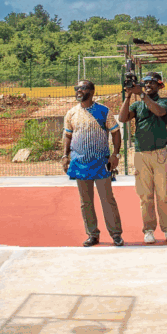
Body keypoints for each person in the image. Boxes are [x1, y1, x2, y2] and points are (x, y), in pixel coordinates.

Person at [62, 80, 124, 247]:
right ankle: (92, 234)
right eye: (77, 88)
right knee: (85, 201)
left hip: (101, 162)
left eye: (82, 88)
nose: (79, 91)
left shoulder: (103, 111)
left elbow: (116, 133)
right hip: (79, 163)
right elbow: (68, 136)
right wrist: (64, 156)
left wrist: (115, 154)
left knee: (107, 199)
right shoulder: (71, 113)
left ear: (92, 91)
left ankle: (116, 234)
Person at [118, 71, 167, 244]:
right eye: (145, 83)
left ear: (160, 85)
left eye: (152, 83)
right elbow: (122, 118)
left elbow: (159, 112)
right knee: (145, 196)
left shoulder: (164, 102)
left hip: (159, 153)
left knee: (164, 195)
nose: (148, 85)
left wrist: (142, 95)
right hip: (141, 154)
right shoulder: (137, 105)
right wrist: (128, 97)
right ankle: (149, 229)